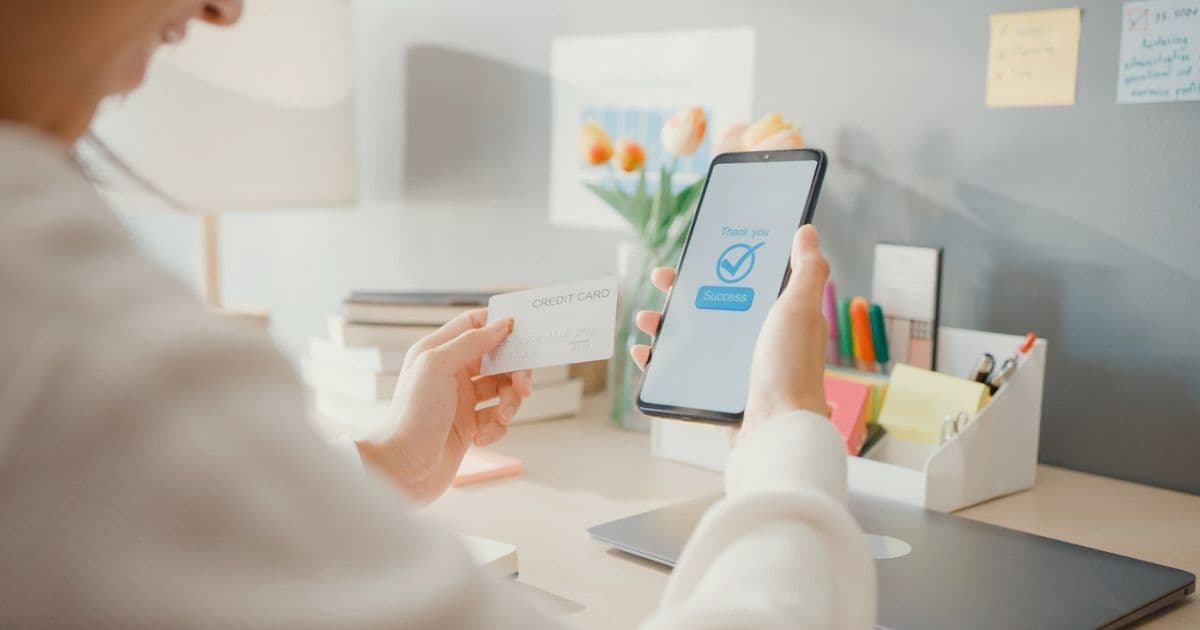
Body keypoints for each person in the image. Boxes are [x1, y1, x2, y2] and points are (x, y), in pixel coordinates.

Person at [0, 1, 875, 628]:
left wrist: (387, 462)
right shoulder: (63, 323)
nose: (225, 9)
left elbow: (174, 529)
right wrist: (786, 437)